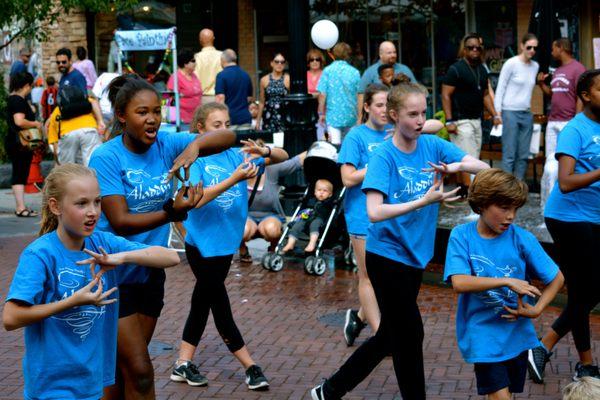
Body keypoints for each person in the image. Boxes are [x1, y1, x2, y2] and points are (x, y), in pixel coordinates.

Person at [310, 82, 489, 400]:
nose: (420, 120)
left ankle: (329, 390)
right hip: (386, 256)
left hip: (415, 255)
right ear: (394, 115)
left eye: (423, 113)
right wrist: (422, 201)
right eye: (412, 114)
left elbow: (483, 167)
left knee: (388, 337)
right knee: (411, 333)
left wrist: (457, 166)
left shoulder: (432, 146)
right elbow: (375, 212)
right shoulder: (383, 157)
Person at [88, 75, 235, 399]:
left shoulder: (167, 143)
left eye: (157, 110)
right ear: (122, 116)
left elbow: (229, 137)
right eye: (142, 112)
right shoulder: (107, 157)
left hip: (150, 270)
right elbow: (121, 221)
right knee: (140, 371)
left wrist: (195, 144)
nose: (152, 118)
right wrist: (173, 211)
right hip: (112, 271)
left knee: (120, 372)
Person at [2, 163, 180, 400]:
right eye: (81, 203)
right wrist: (72, 302)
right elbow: (11, 318)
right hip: (52, 387)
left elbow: (171, 257)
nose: (93, 211)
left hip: (92, 384)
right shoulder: (40, 255)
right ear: (56, 207)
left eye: (97, 202)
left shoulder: (103, 243)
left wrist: (122, 256)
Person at [170, 102, 288, 390]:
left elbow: (285, 156)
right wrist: (233, 179)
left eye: (227, 124)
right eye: (217, 126)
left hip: (227, 245)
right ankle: (250, 366)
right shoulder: (194, 160)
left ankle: (182, 364)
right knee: (219, 306)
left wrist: (266, 152)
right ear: (201, 130)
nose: (225, 130)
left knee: (202, 302)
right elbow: (195, 198)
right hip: (202, 246)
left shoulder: (236, 155)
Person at [444, 168, 564, 400]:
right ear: (481, 204)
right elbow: (459, 282)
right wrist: (507, 281)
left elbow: (557, 278)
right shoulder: (462, 236)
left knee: (503, 394)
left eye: (515, 209)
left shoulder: (522, 239)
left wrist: (537, 309)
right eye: (503, 207)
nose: (511, 216)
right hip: (482, 334)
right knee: (500, 396)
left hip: (517, 335)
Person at [339, 83, 444, 347]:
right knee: (368, 277)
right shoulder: (357, 137)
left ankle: (360, 316)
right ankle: (380, 335)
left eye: (389, 106)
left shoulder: (396, 132)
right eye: (379, 105)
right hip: (364, 214)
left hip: (395, 218)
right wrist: (381, 165)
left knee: (384, 286)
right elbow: (348, 178)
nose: (385, 111)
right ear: (366, 107)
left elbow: (434, 126)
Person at [529, 69, 600, 383]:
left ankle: (577, 360)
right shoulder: (575, 130)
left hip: (594, 217)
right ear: (585, 95)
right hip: (568, 218)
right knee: (589, 288)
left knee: (584, 291)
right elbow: (567, 181)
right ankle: (549, 345)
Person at [442, 33, 501, 196]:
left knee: (473, 157)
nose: (474, 50)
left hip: (477, 120)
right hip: (461, 122)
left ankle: (466, 191)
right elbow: (446, 94)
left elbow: (485, 95)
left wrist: (495, 115)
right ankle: (473, 194)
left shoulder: (482, 69)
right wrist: (449, 121)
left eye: (477, 47)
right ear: (464, 49)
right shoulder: (456, 69)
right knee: (469, 159)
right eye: (470, 48)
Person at [537, 38, 587, 208]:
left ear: (561, 48)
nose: (552, 52)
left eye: (553, 48)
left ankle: (564, 200)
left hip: (569, 122)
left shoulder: (578, 69)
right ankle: (548, 202)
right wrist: (541, 84)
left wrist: (577, 121)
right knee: (551, 163)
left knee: (568, 161)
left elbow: (581, 96)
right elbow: (553, 94)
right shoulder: (557, 70)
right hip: (553, 121)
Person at [239, 145, 307, 263]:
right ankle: (242, 248)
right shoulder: (238, 172)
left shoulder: (271, 167)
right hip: (246, 217)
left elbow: (296, 161)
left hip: (270, 215)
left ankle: (273, 247)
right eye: (248, 155)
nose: (251, 159)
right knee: (242, 229)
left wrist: (320, 146)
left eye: (256, 154)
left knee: (271, 229)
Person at [494, 33, 540, 180]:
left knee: (523, 155)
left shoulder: (535, 66)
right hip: (510, 112)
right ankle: (506, 190)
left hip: (526, 112)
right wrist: (497, 113)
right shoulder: (511, 63)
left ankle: (518, 189)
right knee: (509, 154)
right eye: (529, 47)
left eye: (535, 48)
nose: (532, 50)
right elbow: (500, 88)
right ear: (522, 46)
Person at [6, 72, 41, 217]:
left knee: (20, 173)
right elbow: (19, 121)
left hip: (16, 141)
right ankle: (20, 208)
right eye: (30, 86)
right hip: (20, 142)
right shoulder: (18, 100)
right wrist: (35, 123)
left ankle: (21, 206)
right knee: (19, 173)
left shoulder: (13, 99)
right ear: (26, 85)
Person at [357, 41, 416, 120]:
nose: (393, 55)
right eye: (389, 53)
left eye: (394, 52)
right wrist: (360, 119)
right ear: (381, 55)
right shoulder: (370, 72)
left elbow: (415, 90)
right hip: (378, 117)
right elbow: (361, 95)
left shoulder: (404, 69)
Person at [317, 42, 361, 145]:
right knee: (350, 146)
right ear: (348, 55)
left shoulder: (327, 71)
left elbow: (322, 94)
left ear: (334, 54)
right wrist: (360, 116)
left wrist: (321, 113)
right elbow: (359, 95)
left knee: (334, 147)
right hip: (351, 115)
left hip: (333, 116)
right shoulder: (354, 72)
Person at [56, 47, 106, 135]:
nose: (61, 64)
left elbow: (86, 97)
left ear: (70, 61)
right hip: (66, 124)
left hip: (79, 126)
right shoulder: (64, 76)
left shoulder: (77, 76)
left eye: (64, 62)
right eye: (58, 62)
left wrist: (100, 121)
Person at [281, 179, 334, 253]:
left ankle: (312, 244)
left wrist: (333, 202)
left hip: (320, 219)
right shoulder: (311, 200)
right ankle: (290, 243)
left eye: (325, 191)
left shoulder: (329, 202)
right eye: (319, 190)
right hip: (307, 218)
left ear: (330, 194)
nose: (321, 192)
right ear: (315, 192)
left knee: (314, 224)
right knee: (296, 225)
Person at [46, 95, 102, 166]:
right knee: (93, 163)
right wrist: (101, 121)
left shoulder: (57, 111)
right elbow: (94, 102)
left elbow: (55, 146)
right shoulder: (86, 101)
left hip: (67, 134)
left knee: (68, 168)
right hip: (89, 130)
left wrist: (59, 163)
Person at [215, 49, 253, 129]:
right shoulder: (245, 75)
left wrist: (220, 119)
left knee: (230, 142)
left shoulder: (221, 76)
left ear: (222, 60)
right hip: (245, 118)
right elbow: (249, 98)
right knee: (244, 141)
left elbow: (220, 98)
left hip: (229, 120)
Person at [167, 48, 203, 125]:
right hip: (183, 121)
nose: (195, 63)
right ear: (185, 63)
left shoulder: (194, 76)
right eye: (193, 61)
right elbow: (170, 100)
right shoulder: (175, 77)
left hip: (197, 118)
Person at [256, 53, 290, 132]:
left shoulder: (288, 79)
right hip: (269, 115)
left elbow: (292, 101)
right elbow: (261, 102)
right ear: (272, 63)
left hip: (284, 116)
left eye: (282, 62)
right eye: (277, 61)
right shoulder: (264, 80)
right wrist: (258, 121)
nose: (279, 64)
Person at [194, 28, 222, 104]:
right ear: (213, 39)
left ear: (200, 40)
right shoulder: (222, 56)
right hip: (219, 98)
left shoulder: (196, 58)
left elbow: (194, 79)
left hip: (202, 99)